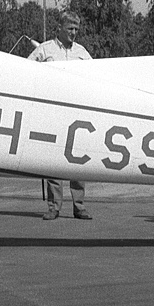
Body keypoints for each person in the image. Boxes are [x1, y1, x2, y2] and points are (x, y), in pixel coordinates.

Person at [27, 11, 93, 220]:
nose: (73, 33)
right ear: (60, 29)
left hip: (76, 112)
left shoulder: (82, 52)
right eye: (69, 29)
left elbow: (95, 76)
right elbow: (25, 70)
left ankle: (79, 205)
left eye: (76, 30)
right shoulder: (44, 50)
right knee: (54, 160)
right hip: (52, 112)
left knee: (77, 160)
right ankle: (54, 207)